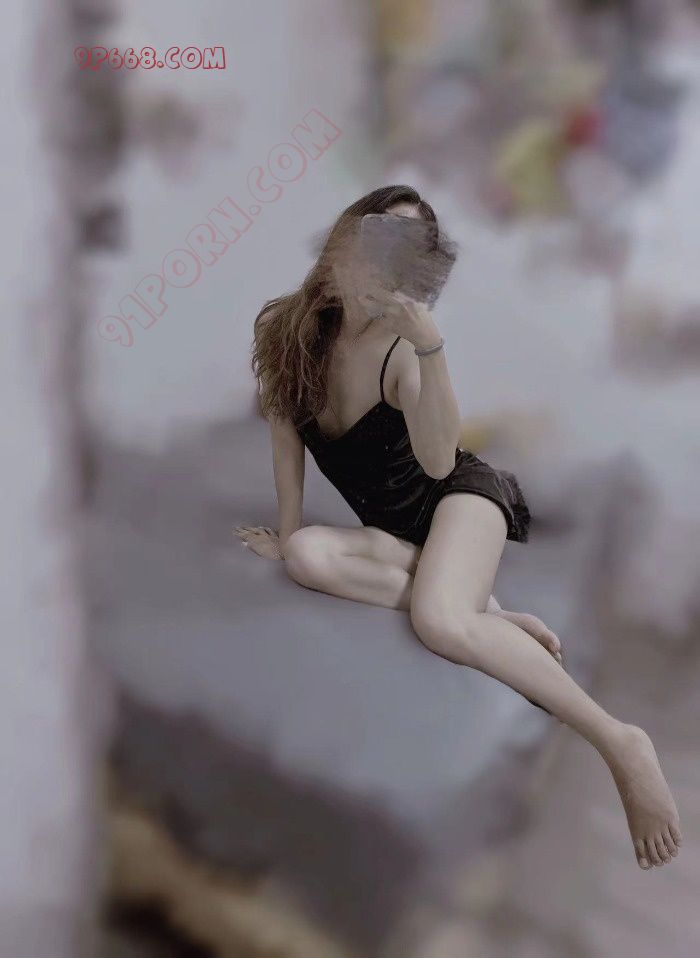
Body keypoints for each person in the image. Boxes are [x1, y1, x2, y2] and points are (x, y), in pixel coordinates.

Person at [237, 185, 681, 871]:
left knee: (440, 623)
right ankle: (492, 612)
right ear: (347, 239)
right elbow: (285, 439)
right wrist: (286, 529)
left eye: (410, 248)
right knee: (305, 556)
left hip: (459, 502)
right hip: (393, 532)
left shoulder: (403, 353)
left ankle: (620, 741)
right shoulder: (285, 327)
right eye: (380, 235)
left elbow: (441, 463)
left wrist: (432, 348)